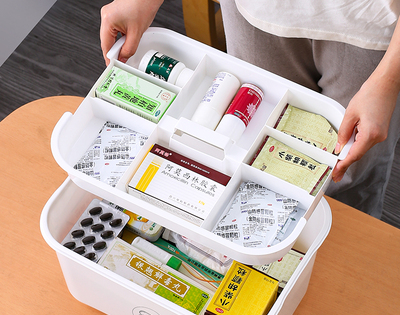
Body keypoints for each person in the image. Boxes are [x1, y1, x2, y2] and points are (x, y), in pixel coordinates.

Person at [100, 0, 400, 219]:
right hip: (254, 11)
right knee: (249, 159)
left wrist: (388, 79)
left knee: (346, 173)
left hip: (372, 26)